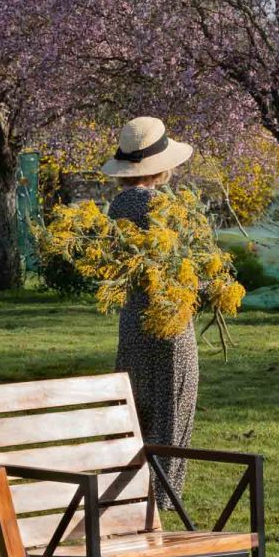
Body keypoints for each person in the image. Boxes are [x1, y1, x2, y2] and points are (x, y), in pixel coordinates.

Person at [101, 116, 198, 508]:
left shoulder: (115, 206)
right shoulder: (163, 206)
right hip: (169, 320)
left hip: (133, 320)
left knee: (137, 405)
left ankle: (131, 494)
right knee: (172, 407)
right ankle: (161, 499)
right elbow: (187, 264)